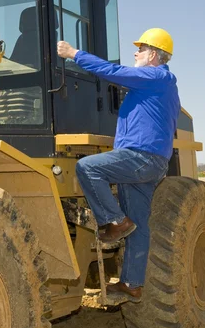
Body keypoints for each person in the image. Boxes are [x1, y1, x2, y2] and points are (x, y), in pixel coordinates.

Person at [57, 28, 180, 303]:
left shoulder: (154, 76)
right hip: (152, 161)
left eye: (141, 48)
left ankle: (114, 221)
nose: (135, 52)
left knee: (88, 168)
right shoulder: (160, 84)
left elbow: (112, 72)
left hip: (142, 157)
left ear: (153, 55)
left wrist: (74, 54)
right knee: (138, 225)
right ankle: (132, 285)